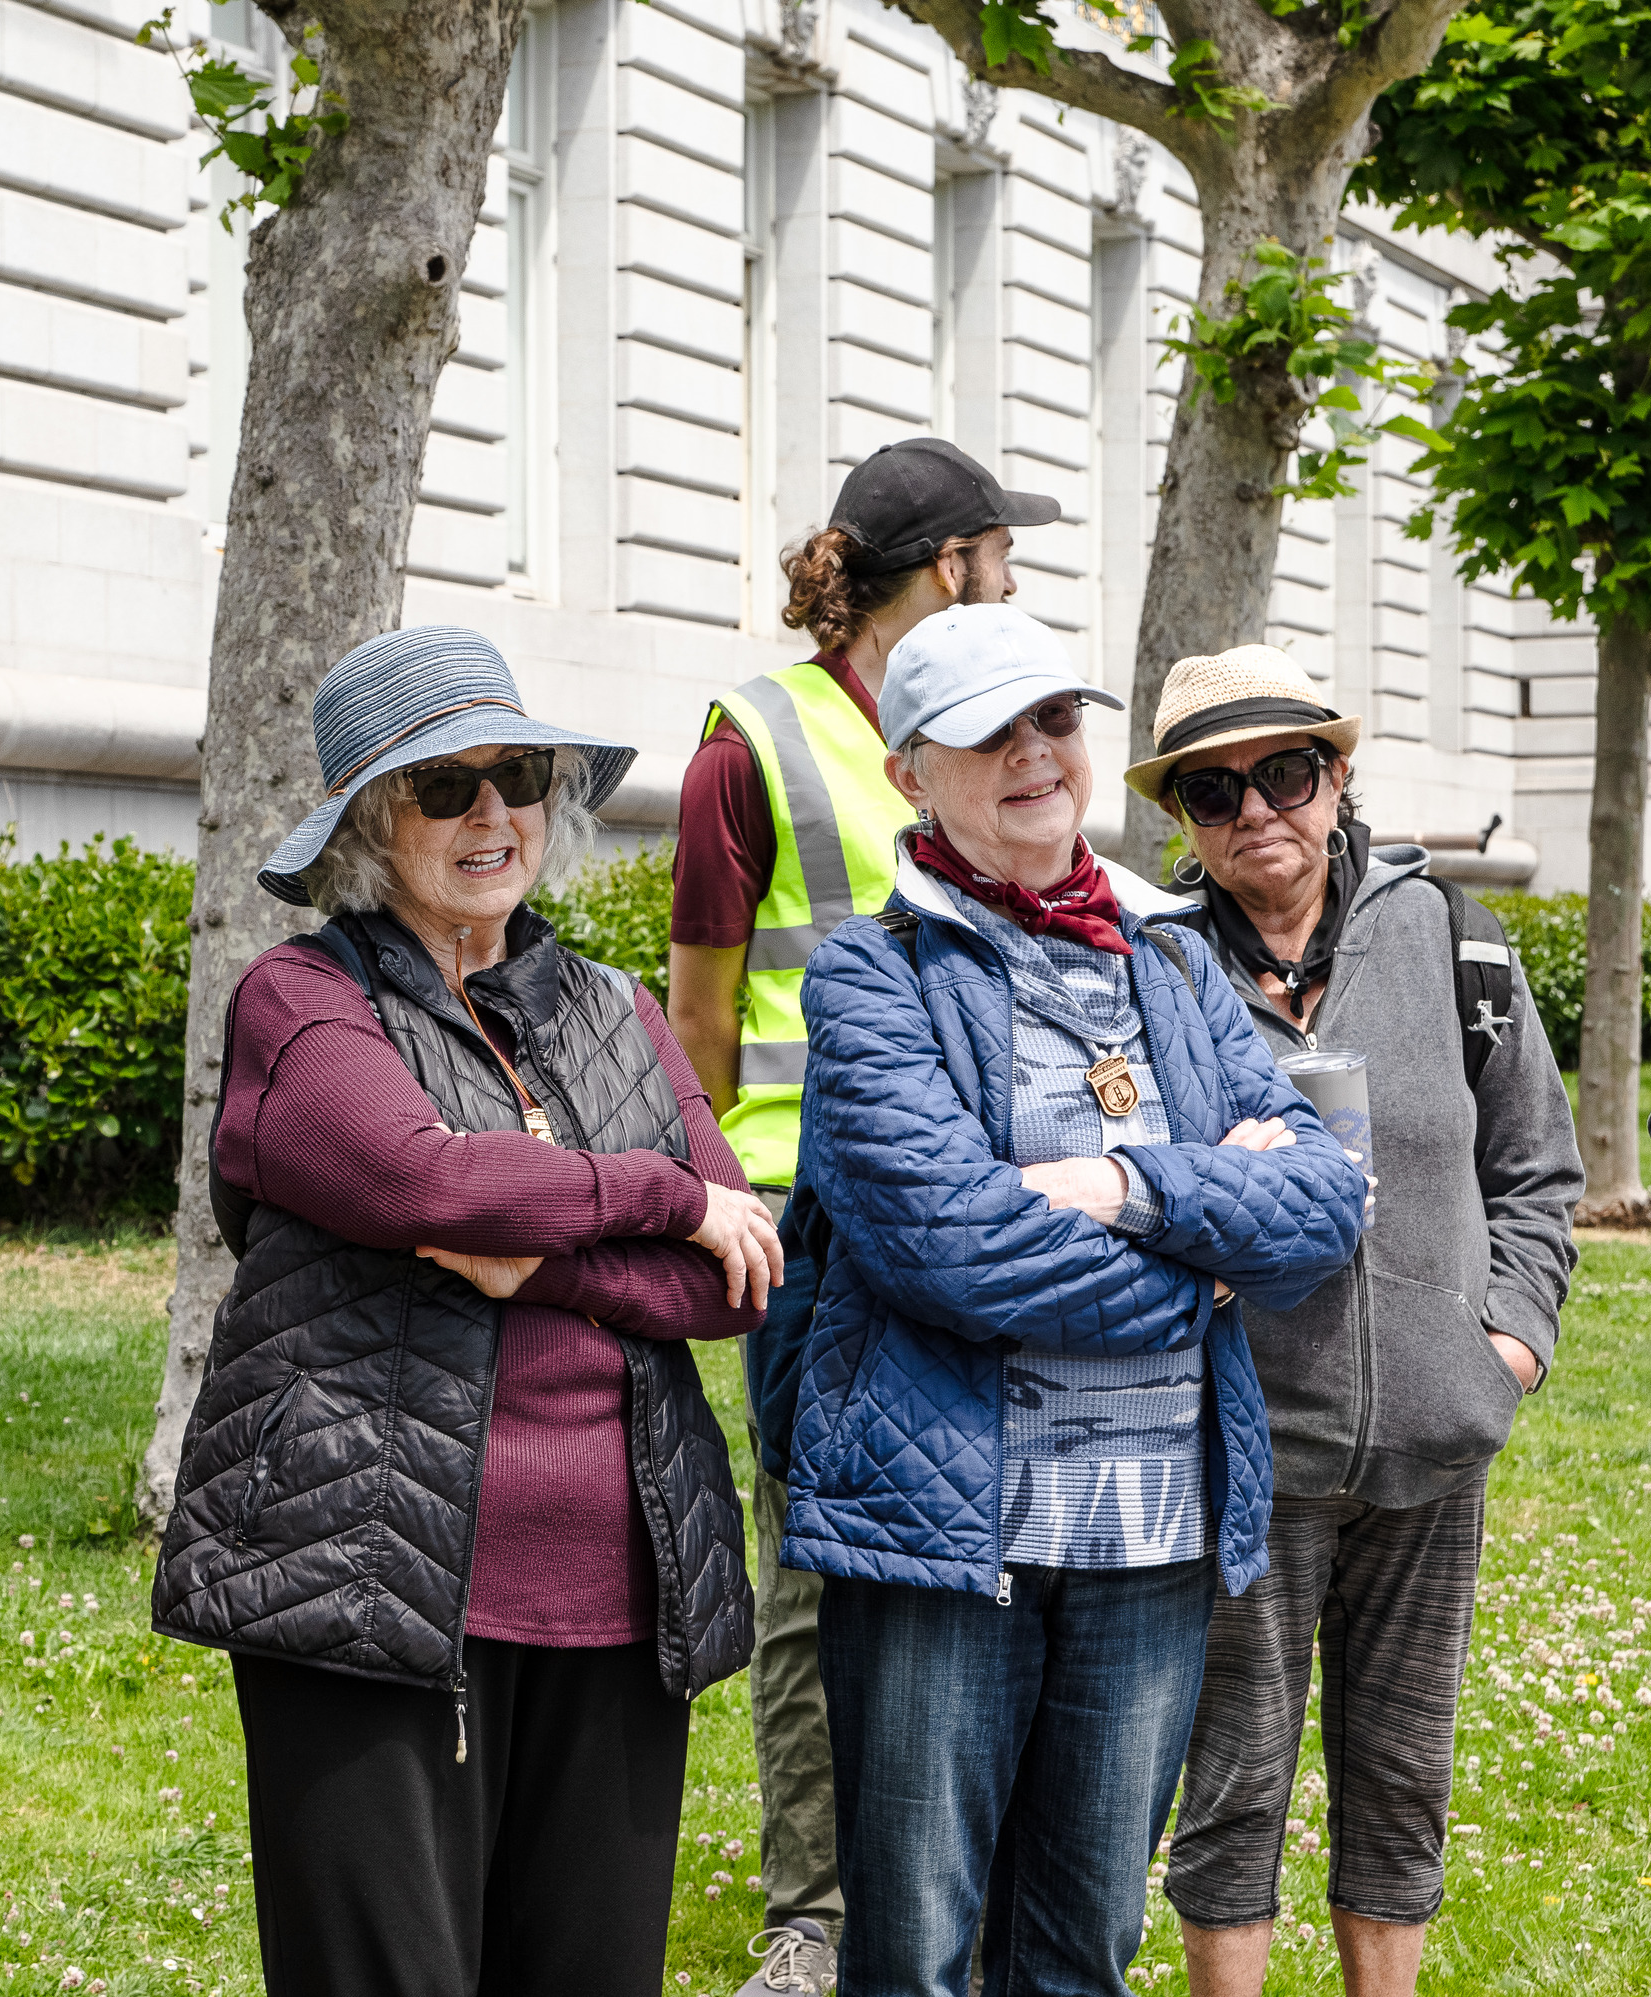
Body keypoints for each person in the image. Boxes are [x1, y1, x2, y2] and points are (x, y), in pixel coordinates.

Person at [150, 625, 781, 1997]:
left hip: (621, 1597)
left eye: (518, 775)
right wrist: (654, 1195)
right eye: (443, 789)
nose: (491, 813)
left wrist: (533, 1247)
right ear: (371, 826)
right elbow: (417, 1174)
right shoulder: (303, 1001)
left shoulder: (612, 1010)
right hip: (370, 1584)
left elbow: (729, 1279)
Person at [786, 603, 1368, 1997]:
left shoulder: (1166, 953)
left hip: (1149, 1537)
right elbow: (945, 1242)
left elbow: (1321, 1202)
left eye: (1051, 718)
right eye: (987, 730)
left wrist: (1113, 1187)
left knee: (1083, 1944)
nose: (1033, 753)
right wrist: (1197, 1261)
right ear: (909, 773)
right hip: (942, 1538)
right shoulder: (871, 974)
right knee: (914, 1953)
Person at [667, 436, 1058, 1995]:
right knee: (815, 1570)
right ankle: (813, 1916)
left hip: (995, 1214)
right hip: (808, 1231)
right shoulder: (749, 743)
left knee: (1008, 1551)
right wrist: (711, 1207)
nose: (1014, 575)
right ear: (950, 563)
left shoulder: (1003, 735)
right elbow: (696, 1019)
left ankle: (967, 1876)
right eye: (999, 550)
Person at [1134, 647, 1581, 1997]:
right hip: (1245, 1449)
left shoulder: (1448, 933)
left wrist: (1496, 1345)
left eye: (1281, 772)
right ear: (1183, 821)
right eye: (1213, 792)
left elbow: (1534, 1168)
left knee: (1399, 1769)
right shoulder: (1146, 967)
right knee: (1231, 1777)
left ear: (1334, 776)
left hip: (1429, 1448)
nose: (1254, 809)